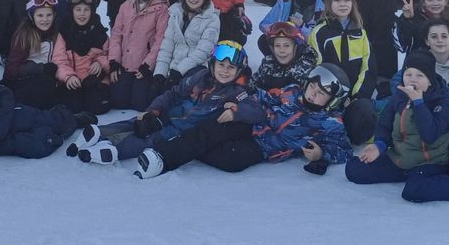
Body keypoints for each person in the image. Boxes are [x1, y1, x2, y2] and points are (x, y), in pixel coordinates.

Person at [130, 62, 353, 179]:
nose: (313, 94)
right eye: (313, 86)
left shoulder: (330, 122)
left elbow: (344, 150)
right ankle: (163, 156)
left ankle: (189, 144)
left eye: (321, 93)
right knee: (214, 128)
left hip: (263, 147)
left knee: (231, 161)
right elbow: (261, 96)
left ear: (332, 101)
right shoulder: (291, 91)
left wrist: (321, 155)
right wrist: (239, 107)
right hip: (250, 125)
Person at [72, 41, 262, 165]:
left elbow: (257, 111)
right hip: (168, 114)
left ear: (238, 72)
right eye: (221, 65)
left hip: (182, 129)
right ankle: (98, 133)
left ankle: (112, 150)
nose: (225, 71)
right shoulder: (200, 77)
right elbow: (173, 93)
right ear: (212, 65)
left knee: (150, 140)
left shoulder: (235, 92)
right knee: (137, 123)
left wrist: (236, 112)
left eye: (231, 68)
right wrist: (153, 110)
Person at [346, 50, 449, 203]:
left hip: (430, 162)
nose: (413, 80)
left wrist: (419, 103)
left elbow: (430, 135)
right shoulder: (398, 98)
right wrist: (378, 146)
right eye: (408, 74)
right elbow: (385, 126)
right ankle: (410, 175)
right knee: (354, 170)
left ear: (430, 80)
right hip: (401, 159)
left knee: (413, 191)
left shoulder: (441, 102)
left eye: (420, 75)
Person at [308, 0, 379, 143]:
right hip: (328, 95)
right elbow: (316, 68)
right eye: (337, 0)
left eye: (347, 0)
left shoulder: (360, 32)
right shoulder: (320, 32)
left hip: (354, 97)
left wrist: (356, 96)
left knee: (364, 112)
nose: (342, 4)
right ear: (329, 3)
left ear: (352, 3)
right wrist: (336, 96)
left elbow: (368, 68)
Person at [107, 0, 170, 112]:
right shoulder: (126, 6)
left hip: (144, 66)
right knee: (118, 101)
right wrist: (114, 61)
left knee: (140, 104)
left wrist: (148, 65)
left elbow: (161, 40)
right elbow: (116, 34)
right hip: (125, 64)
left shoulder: (161, 8)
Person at [152, 0, 220, 88]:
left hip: (196, 69)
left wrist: (179, 71)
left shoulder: (212, 19)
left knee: (180, 97)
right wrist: (160, 73)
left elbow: (203, 52)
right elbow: (167, 46)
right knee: (150, 98)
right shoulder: (175, 15)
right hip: (173, 68)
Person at [52, 0, 111, 116]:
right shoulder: (64, 32)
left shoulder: (99, 32)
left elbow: (110, 55)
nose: (82, 14)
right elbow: (59, 60)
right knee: (72, 108)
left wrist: (100, 63)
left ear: (92, 11)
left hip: (94, 81)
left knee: (96, 108)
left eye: (86, 10)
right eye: (78, 10)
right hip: (73, 80)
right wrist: (68, 76)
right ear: (71, 11)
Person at [4, 0, 64, 109]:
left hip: (50, 81)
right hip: (24, 81)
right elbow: (11, 70)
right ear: (32, 16)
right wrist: (41, 68)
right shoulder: (24, 35)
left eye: (48, 15)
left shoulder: (57, 34)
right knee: (45, 83)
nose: (45, 19)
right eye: (40, 15)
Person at [252, 21, 320, 93]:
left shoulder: (306, 66)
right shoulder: (268, 63)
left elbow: (311, 96)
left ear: (296, 47)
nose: (282, 50)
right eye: (277, 45)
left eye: (287, 45)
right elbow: (252, 87)